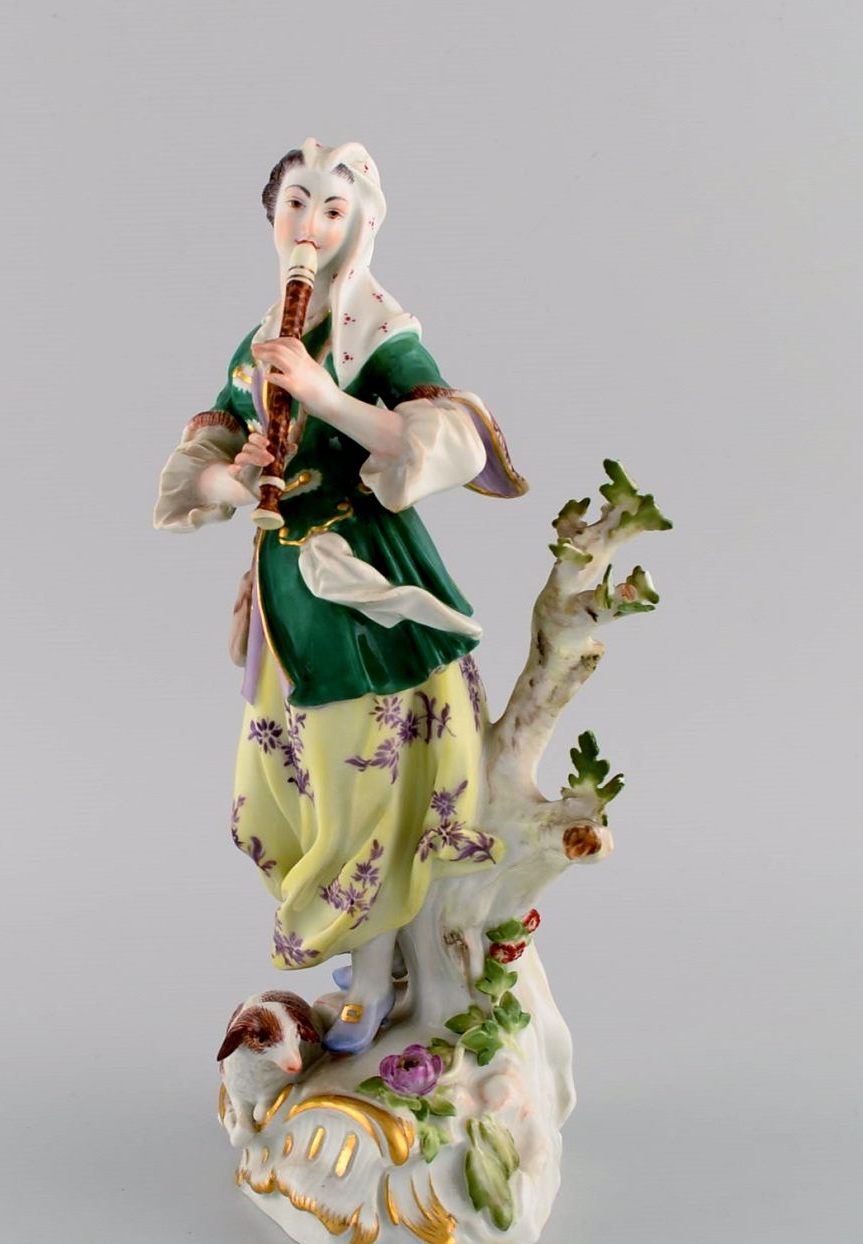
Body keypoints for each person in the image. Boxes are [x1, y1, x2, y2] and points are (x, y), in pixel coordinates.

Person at [154, 139, 526, 1055]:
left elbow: (454, 438)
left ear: (358, 221)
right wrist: (237, 479)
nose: (310, 225)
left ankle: (369, 977)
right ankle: (373, 954)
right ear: (271, 216)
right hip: (284, 601)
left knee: (363, 793)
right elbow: (203, 460)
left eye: (329, 207)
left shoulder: (380, 333)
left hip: (364, 596)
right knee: (287, 790)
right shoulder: (259, 341)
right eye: (295, 203)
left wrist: (325, 398)